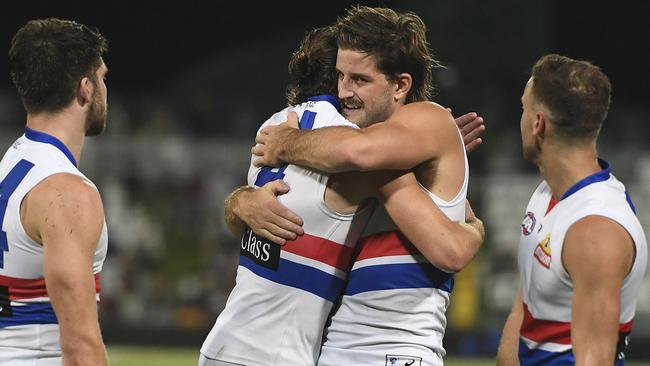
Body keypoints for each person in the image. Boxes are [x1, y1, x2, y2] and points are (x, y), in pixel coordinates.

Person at [200, 19, 484, 366]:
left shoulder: (285, 128)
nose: (344, 91)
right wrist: (238, 202)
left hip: (392, 352)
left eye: (359, 79)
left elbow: (450, 249)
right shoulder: (353, 152)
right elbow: (359, 154)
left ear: (400, 85)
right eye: (340, 76)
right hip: (328, 351)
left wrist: (284, 146)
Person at [495, 54, 647, 365]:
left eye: (524, 108)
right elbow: (524, 310)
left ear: (538, 123)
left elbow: (595, 360)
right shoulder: (545, 193)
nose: (520, 118)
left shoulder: (596, 231)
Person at [0, 18, 110, 365]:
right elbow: (79, 348)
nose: (105, 89)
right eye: (102, 77)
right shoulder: (67, 192)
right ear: (85, 88)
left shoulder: (14, 160)